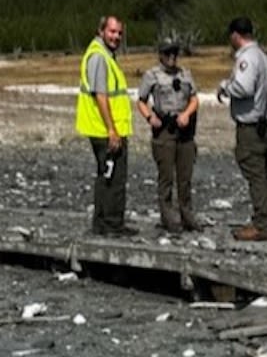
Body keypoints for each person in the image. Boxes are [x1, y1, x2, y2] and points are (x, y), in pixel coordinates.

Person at [216, 16, 267, 241]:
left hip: (251, 126)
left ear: (235, 35)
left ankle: (262, 224)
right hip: (265, 124)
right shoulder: (263, 57)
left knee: (255, 174)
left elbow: (243, 87)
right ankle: (266, 217)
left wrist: (225, 87)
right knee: (264, 173)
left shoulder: (247, 59)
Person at [76, 15, 137, 236]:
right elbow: (100, 95)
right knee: (114, 178)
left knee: (106, 175)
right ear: (101, 31)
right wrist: (112, 130)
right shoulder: (99, 57)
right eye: (112, 32)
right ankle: (111, 224)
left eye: (119, 33)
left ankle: (102, 223)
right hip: (105, 130)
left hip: (102, 128)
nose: (116, 37)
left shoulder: (103, 55)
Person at [136, 40, 201, 232]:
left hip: (185, 130)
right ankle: (168, 218)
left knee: (185, 176)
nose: (172, 56)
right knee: (166, 177)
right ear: (160, 55)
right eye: (167, 53)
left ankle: (187, 215)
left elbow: (194, 98)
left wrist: (187, 114)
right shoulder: (152, 75)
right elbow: (141, 101)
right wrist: (150, 116)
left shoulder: (185, 74)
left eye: (174, 53)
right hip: (164, 128)